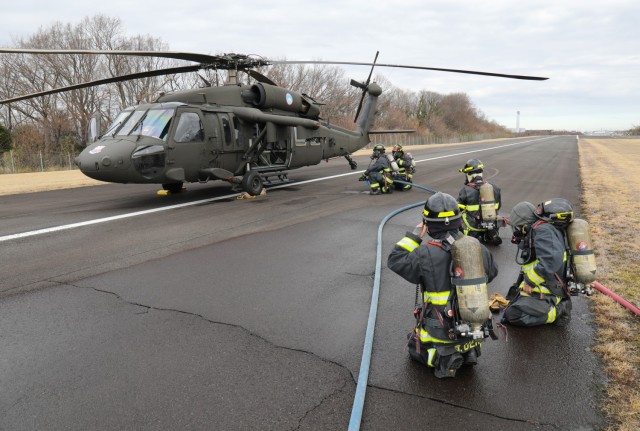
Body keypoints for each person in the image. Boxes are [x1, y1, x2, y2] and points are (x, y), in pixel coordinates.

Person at [388, 192, 498, 378]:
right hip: (473, 325)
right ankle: (468, 351)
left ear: (428, 224)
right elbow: (492, 272)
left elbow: (395, 260)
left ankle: (442, 358)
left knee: (413, 346)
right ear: (459, 220)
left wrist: (414, 236)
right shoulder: (476, 247)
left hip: (440, 329)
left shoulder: (425, 253)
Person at [502, 198, 574, 327]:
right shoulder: (539, 229)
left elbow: (551, 259)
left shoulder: (543, 231)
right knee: (512, 305)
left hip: (550, 290)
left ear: (524, 226)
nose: (515, 231)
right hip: (547, 285)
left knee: (514, 315)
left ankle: (560, 310)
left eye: (517, 228)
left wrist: (530, 281)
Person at [457, 158, 503, 245]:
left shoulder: (465, 190)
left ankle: (470, 237)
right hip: (491, 224)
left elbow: (457, 208)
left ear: (470, 174)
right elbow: (498, 206)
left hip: (473, 227)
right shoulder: (494, 188)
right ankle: (489, 235)